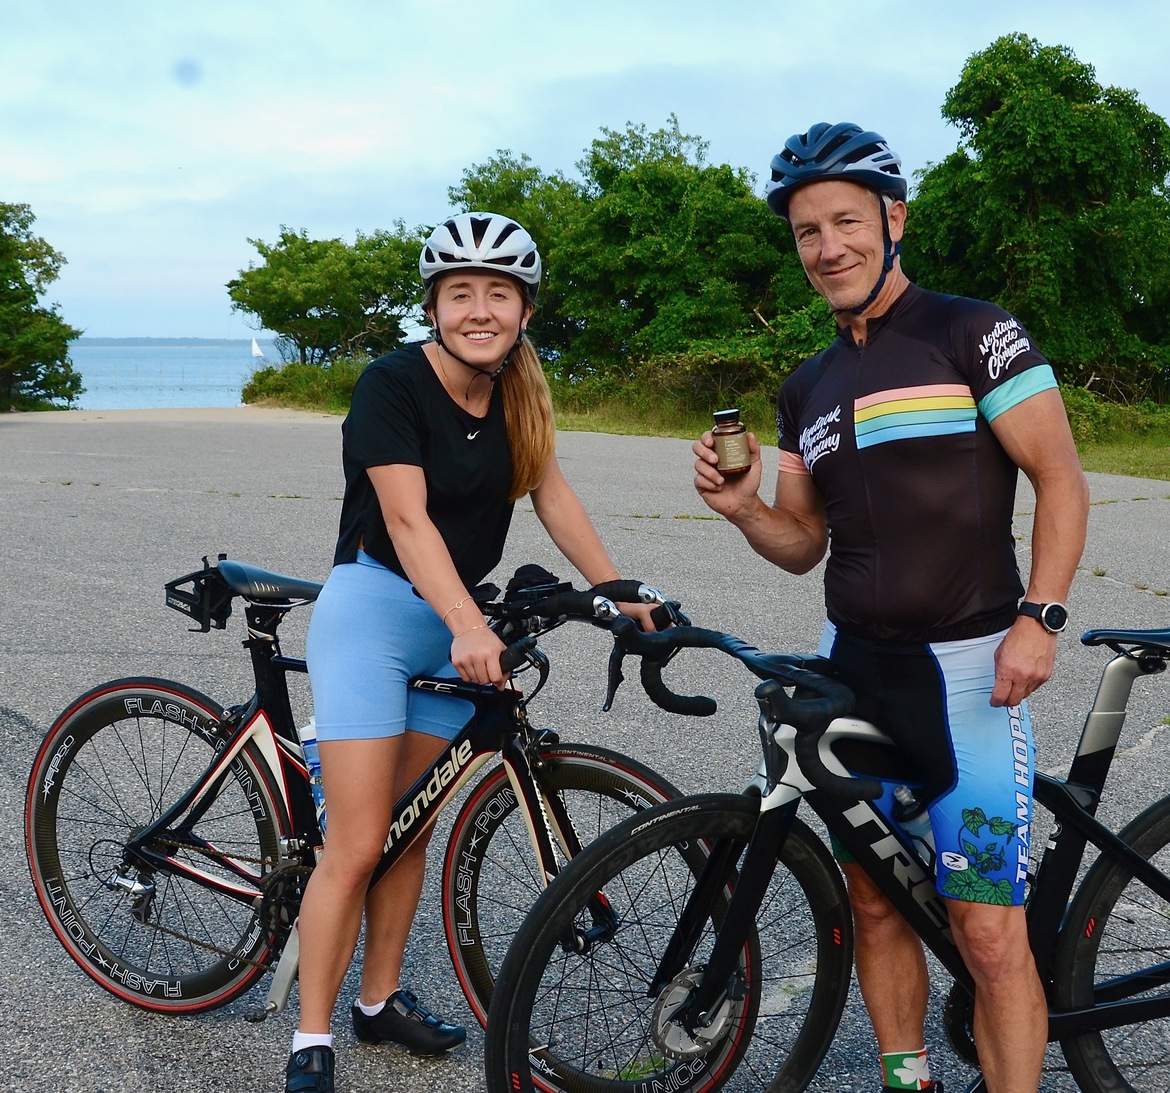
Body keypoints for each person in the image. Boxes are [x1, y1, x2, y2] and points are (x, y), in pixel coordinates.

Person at [692, 123, 1090, 1093]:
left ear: (892, 219)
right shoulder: (807, 386)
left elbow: (1062, 478)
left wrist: (1041, 616)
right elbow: (803, 543)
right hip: (852, 669)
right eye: (805, 231)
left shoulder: (973, 332)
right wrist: (747, 510)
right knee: (874, 904)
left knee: (990, 935)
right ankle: (906, 1080)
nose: (827, 247)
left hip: (969, 677)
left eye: (845, 222)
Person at [286, 212, 658, 1093]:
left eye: (499, 293)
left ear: (525, 308)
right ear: (435, 306)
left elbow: (553, 496)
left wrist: (618, 587)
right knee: (360, 837)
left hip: (462, 619)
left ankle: (378, 1003)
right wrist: (464, 622)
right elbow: (408, 523)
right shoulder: (391, 385)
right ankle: (311, 1037)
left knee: (409, 830)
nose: (480, 310)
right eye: (462, 294)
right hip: (377, 612)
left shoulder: (521, 388)